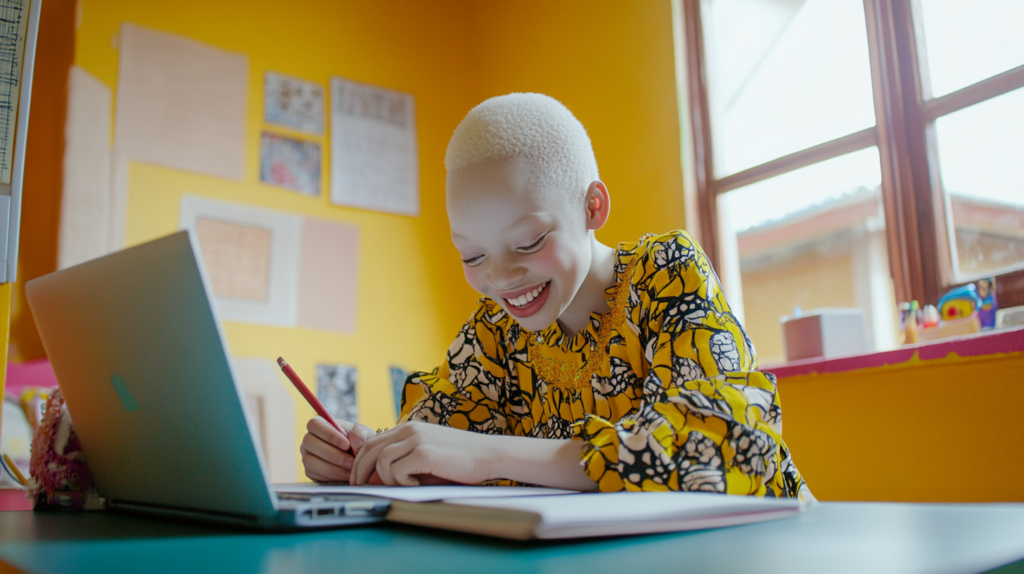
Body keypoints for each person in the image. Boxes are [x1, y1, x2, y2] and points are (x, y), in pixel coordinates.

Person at [300, 93, 812, 500]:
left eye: (528, 243)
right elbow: (439, 437)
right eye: (472, 256)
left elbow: (731, 443)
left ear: (593, 207)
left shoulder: (665, 273)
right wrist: (366, 453)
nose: (501, 280)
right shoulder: (494, 333)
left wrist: (488, 456)